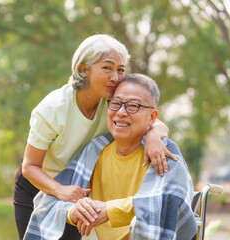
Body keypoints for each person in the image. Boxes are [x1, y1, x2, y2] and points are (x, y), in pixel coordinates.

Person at [13, 34, 176, 240]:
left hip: (77, 184)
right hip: (38, 186)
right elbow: (29, 167)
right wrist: (60, 190)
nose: (116, 77)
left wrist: (155, 134)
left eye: (120, 69)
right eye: (107, 68)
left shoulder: (112, 104)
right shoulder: (53, 108)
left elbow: (149, 116)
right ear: (83, 69)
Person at [24, 74, 197, 240]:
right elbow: (50, 202)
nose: (121, 112)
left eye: (133, 106)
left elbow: (169, 202)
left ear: (152, 117)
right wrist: (75, 210)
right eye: (116, 103)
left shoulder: (163, 152)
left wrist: (109, 210)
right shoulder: (96, 150)